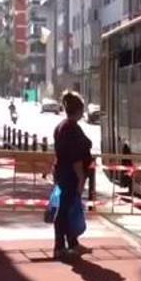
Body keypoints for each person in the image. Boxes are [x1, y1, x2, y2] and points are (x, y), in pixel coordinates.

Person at [52, 91, 93, 258]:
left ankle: (72, 243)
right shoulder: (71, 129)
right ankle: (60, 247)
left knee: (69, 209)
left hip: (63, 173)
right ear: (78, 110)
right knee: (65, 211)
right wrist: (81, 178)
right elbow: (75, 156)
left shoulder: (62, 126)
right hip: (70, 175)